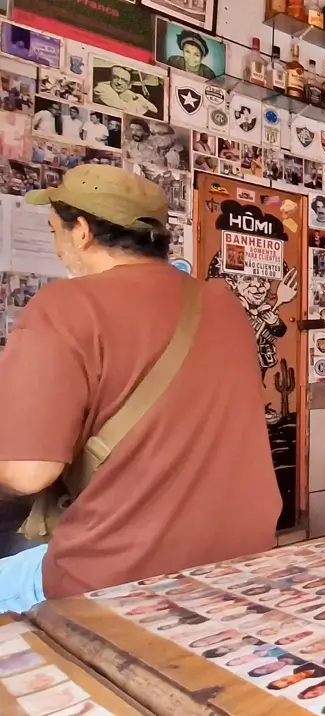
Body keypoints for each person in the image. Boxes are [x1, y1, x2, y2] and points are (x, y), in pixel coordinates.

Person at [0, 164, 281, 612]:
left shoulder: (63, 307)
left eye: (56, 230)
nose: (56, 247)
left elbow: (27, 473)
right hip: (241, 555)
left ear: (83, 232)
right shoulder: (224, 305)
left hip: (118, 570)